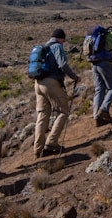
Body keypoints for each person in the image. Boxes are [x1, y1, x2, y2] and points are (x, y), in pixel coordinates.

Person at [34, 29, 81, 158]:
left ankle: (38, 149)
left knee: (42, 115)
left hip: (38, 83)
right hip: (51, 82)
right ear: (61, 38)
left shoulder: (44, 47)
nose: (63, 43)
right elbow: (63, 64)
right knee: (63, 111)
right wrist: (74, 77)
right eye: (63, 40)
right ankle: (51, 143)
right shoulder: (57, 46)